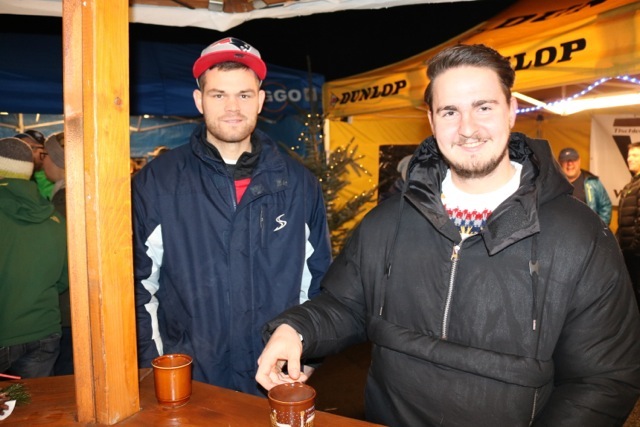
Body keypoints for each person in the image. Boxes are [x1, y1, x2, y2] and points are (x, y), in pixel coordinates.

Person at [256, 44, 640, 426]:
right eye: (450, 111)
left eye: (483, 107)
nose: (467, 128)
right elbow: (347, 304)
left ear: (511, 110)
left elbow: (603, 380)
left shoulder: (580, 237)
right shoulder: (387, 222)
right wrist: (298, 329)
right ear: (431, 119)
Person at [132, 37, 332, 396]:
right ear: (199, 100)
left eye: (243, 94)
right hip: (189, 383)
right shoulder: (157, 182)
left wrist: (305, 352)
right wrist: (155, 369)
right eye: (218, 94)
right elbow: (138, 286)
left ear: (260, 100)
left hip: (272, 379)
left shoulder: (299, 184)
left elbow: (317, 282)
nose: (232, 107)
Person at [0, 137, 68, 378]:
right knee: (35, 401)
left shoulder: (59, 207)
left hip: (6, 328)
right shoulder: (54, 218)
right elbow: (63, 278)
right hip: (43, 329)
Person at [557, 147, 612, 225]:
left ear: (579, 161)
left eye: (573, 160)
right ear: (559, 163)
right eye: (566, 160)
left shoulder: (593, 182)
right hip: (560, 230)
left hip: (587, 231)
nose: (570, 164)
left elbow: (605, 206)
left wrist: (598, 228)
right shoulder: (553, 184)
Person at [617, 141, 640, 308]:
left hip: (636, 252)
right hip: (628, 251)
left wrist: (635, 246)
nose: (629, 158)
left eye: (635, 155)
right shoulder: (631, 184)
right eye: (629, 155)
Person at [14, 129, 55, 200]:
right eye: (22, 148)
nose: (26, 152)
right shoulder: (19, 179)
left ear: (45, 150)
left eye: (32, 147)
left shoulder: (57, 177)